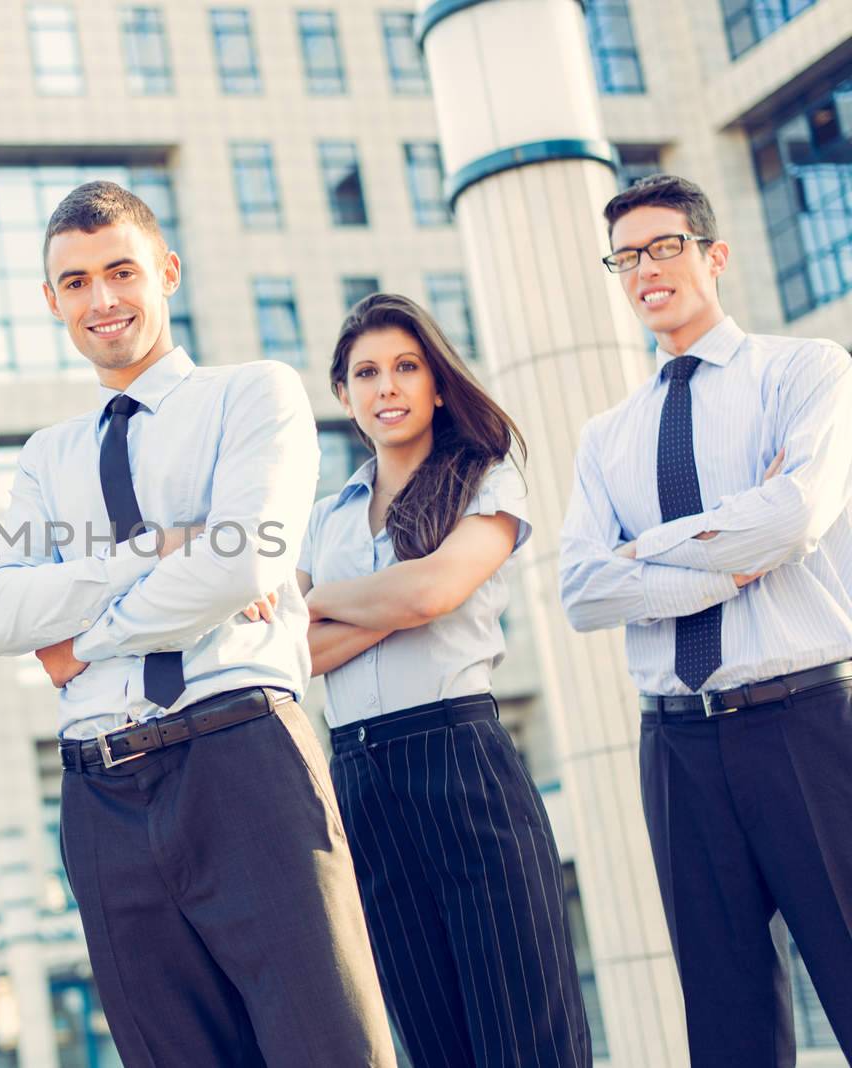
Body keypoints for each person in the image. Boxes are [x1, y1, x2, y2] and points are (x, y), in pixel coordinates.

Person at [0, 180, 395, 1065]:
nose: (103, 299)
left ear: (166, 271)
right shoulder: (47, 456)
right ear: (51, 302)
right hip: (100, 792)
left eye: (121, 271)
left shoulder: (254, 395)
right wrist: (166, 546)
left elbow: (243, 562)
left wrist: (84, 639)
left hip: (240, 759)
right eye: (77, 281)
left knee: (329, 1046)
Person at [559, 173, 852, 1064]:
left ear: (713, 255)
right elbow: (581, 591)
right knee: (725, 1025)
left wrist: (646, 547)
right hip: (675, 746)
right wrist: (723, 563)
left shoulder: (807, 370)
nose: (645, 270)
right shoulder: (606, 436)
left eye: (664, 247)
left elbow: (793, 516)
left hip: (803, 720)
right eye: (625, 258)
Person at [298, 293, 591, 1067]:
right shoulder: (325, 520)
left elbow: (432, 593)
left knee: (523, 1032)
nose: (386, 387)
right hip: (358, 780)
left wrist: (322, 600)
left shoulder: (487, 480)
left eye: (405, 367)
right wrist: (406, 598)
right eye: (366, 373)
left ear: (436, 384)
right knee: (432, 1038)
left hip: (461, 761)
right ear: (343, 395)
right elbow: (287, 650)